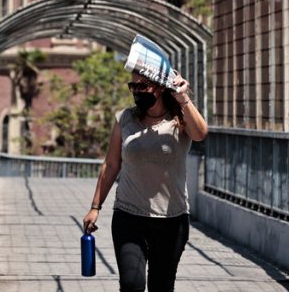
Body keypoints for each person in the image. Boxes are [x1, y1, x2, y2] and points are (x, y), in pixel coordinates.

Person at [82, 70, 207, 292]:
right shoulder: (125, 118)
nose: (137, 91)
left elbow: (201, 134)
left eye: (143, 86)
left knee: (161, 286)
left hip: (172, 219)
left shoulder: (180, 118)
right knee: (132, 284)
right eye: (134, 86)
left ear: (160, 87)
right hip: (129, 216)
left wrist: (183, 98)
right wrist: (95, 207)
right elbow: (111, 164)